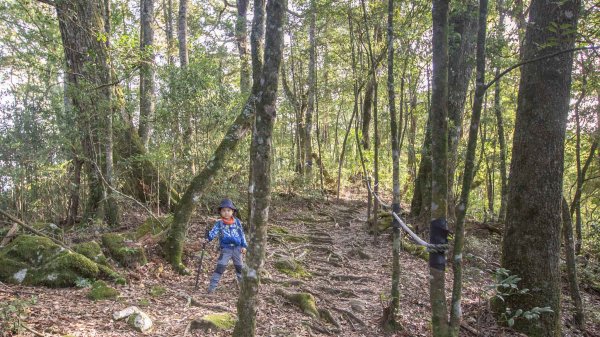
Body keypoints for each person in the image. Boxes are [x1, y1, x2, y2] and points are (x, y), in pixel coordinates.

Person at [205, 198, 247, 294]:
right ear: (220, 212)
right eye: (223, 211)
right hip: (226, 249)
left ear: (232, 211)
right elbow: (213, 233)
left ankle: (244, 290)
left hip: (237, 248)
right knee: (220, 267)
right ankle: (212, 288)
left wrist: (244, 246)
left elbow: (242, 234)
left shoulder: (237, 222)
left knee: (240, 268)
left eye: (228, 210)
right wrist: (207, 239)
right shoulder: (219, 223)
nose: (226, 213)